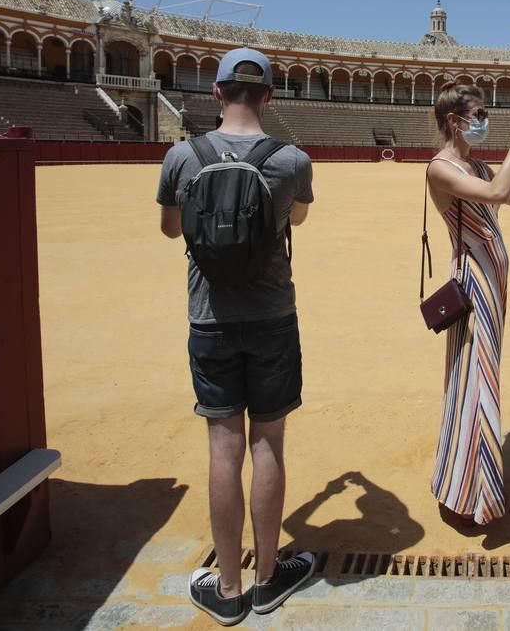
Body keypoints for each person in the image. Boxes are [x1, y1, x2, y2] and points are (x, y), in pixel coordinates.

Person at [156, 48, 316, 625]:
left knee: (223, 447)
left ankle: (227, 589)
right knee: (268, 442)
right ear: (269, 96)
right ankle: (269, 579)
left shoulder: (183, 156)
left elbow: (171, 228)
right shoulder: (292, 159)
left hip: (209, 318)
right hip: (273, 314)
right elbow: (296, 221)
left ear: (217, 92)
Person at [425, 83, 510, 526]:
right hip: (473, 283)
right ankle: (469, 490)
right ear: (454, 120)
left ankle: (472, 483)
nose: (484, 120)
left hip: (492, 284)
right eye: (478, 113)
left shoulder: (476, 164)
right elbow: (495, 195)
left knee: (480, 375)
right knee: (474, 378)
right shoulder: (440, 169)